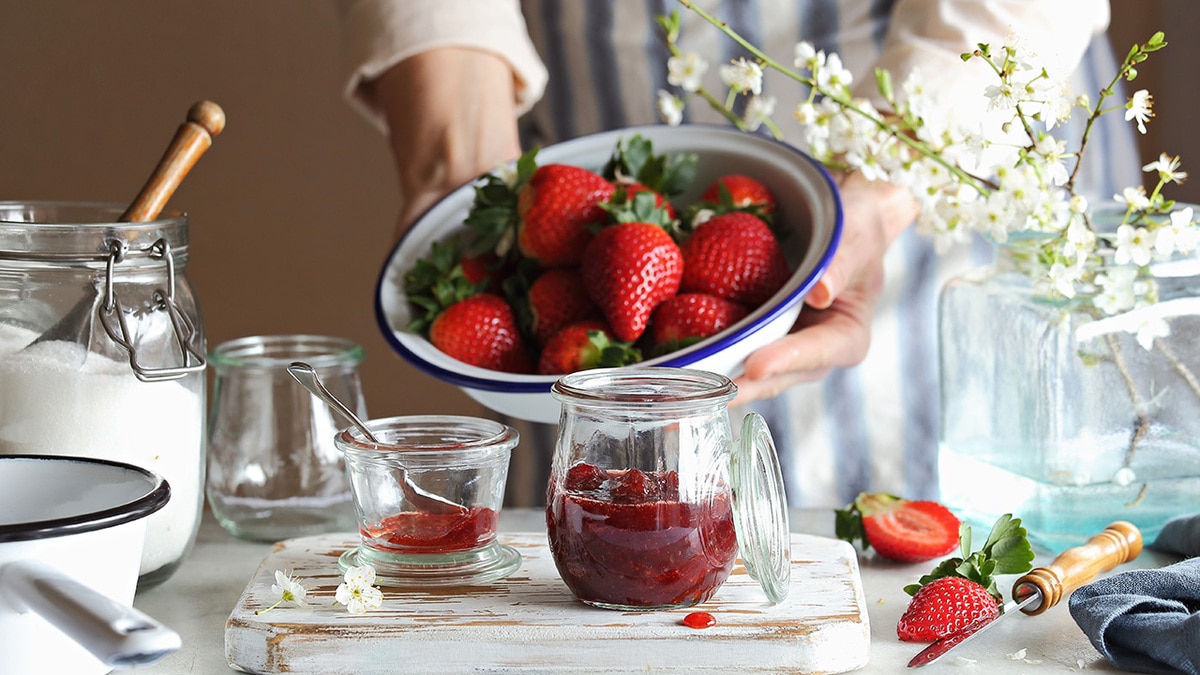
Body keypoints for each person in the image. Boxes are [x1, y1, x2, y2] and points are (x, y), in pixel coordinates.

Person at [335, 0, 1138, 507]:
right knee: (625, 567)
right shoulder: (585, 250)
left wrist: (887, 182)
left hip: (962, 142)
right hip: (600, 152)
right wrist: (467, 185)